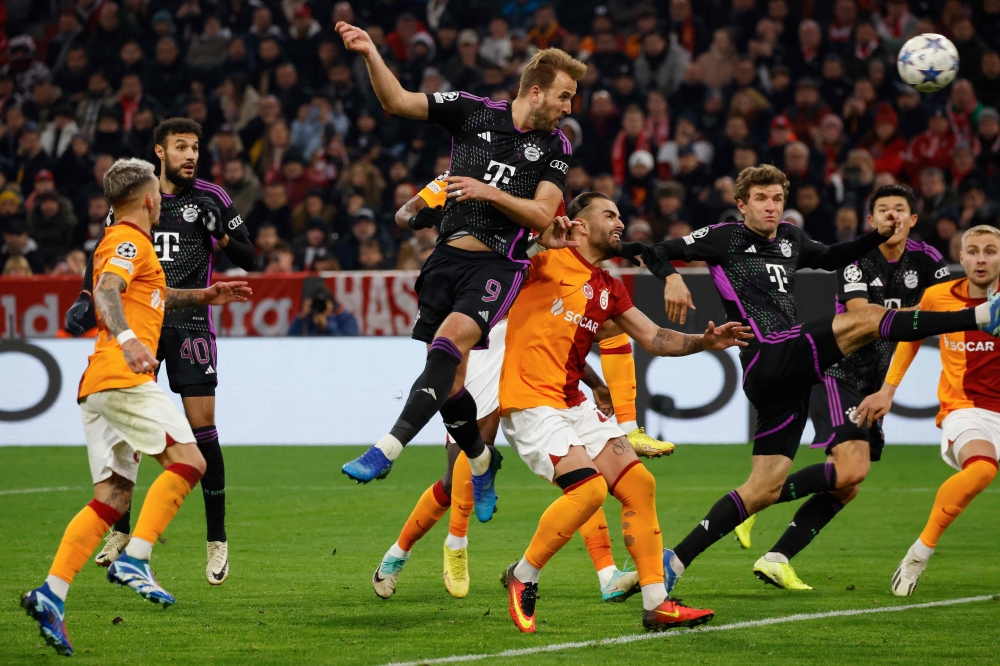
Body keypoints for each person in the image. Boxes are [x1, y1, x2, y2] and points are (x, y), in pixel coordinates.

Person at [617, 164, 1000, 596]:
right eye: (761, 199)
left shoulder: (792, 239)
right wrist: (670, 278)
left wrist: (875, 235)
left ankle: (673, 561)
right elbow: (654, 250)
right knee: (867, 318)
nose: (770, 206)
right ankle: (983, 316)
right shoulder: (725, 237)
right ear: (742, 204)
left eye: (777, 199)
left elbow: (833, 257)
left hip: (791, 375)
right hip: (767, 352)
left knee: (764, 488)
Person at [336, 21, 583, 526]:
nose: (568, 107)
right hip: (445, 258)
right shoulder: (472, 112)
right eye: (564, 96)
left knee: (447, 347)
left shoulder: (555, 147)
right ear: (535, 91)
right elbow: (399, 102)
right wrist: (369, 53)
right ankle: (483, 460)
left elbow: (541, 216)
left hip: (499, 264)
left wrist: (486, 191)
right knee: (451, 387)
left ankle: (387, 447)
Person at [20, 158, 251, 657]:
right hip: (125, 376)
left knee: (113, 497)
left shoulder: (129, 246)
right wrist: (127, 339)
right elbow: (107, 291)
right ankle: (136, 558)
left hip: (97, 386)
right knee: (191, 461)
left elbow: (154, 294)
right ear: (150, 200)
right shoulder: (130, 240)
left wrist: (205, 295)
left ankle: (51, 594)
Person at [500, 192, 751, 633]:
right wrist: (541, 236)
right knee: (589, 492)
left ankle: (657, 602)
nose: (620, 223)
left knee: (639, 483)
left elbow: (654, 337)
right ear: (578, 224)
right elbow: (509, 249)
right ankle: (523, 576)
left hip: (571, 401)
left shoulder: (608, 286)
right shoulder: (541, 261)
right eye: (609, 215)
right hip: (529, 400)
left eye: (621, 215)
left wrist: (703, 342)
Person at [65, 119, 257, 585]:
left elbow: (250, 256)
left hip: (190, 321)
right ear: (160, 152)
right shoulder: (137, 201)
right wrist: (86, 298)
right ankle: (121, 532)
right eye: (181, 147)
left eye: (195, 147)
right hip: (143, 322)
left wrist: (225, 237)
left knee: (203, 429)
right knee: (129, 430)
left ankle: (217, 541)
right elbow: (107, 257)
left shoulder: (211, 197)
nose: (191, 155)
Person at [732, 184, 953, 589]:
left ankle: (777, 557)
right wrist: (923, 314)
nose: (892, 216)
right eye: (883, 210)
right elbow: (862, 315)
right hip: (839, 372)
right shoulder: (857, 258)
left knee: (848, 484)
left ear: (913, 219)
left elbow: (948, 306)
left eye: (900, 209)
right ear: (871, 221)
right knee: (853, 469)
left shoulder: (929, 260)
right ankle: (751, 501)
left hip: (875, 378)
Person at [849, 226, 1000, 596]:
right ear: (960, 259)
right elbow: (910, 336)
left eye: (991, 251)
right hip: (966, 409)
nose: (981, 259)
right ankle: (919, 553)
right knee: (981, 469)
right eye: (974, 251)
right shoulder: (937, 296)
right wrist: (887, 391)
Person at [287, 287, 358, 336]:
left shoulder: (345, 317)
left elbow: (349, 343)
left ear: (331, 304)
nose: (320, 306)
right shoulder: (307, 318)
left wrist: (327, 326)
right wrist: (302, 318)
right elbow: (290, 339)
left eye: (323, 303)